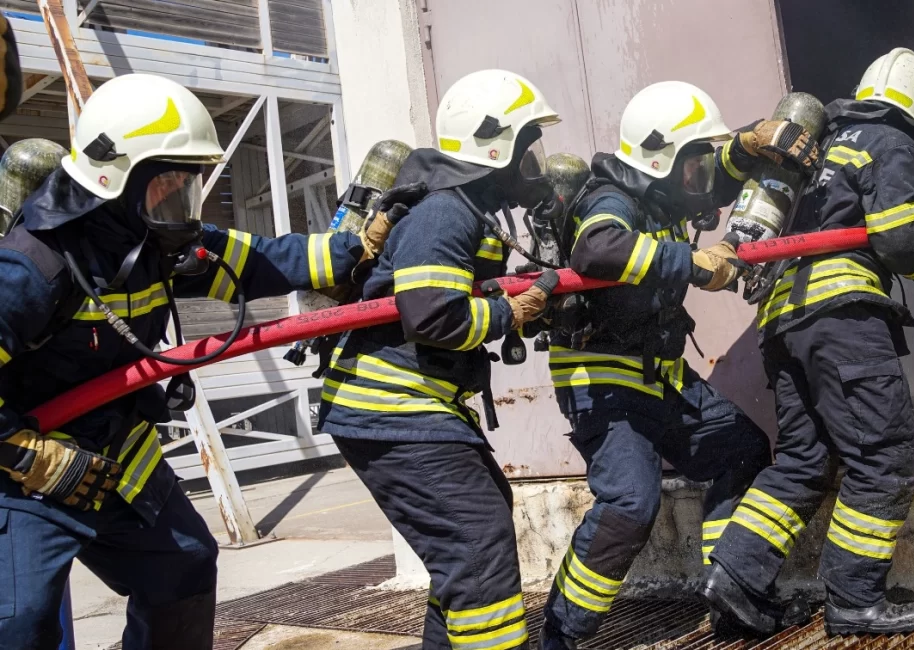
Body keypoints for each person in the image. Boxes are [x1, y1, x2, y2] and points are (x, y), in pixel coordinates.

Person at [0, 73, 395, 649]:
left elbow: (263, 258)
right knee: (18, 623)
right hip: (27, 475)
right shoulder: (30, 267)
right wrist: (32, 456)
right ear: (118, 177)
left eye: (189, 182)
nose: (182, 199)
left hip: (116, 456)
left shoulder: (158, 241)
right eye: (170, 182)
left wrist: (352, 248)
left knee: (184, 566)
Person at [539, 81, 820, 649]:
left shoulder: (664, 194)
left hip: (659, 376)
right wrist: (692, 263)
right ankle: (561, 635)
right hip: (606, 378)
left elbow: (715, 176)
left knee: (739, 449)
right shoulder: (610, 199)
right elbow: (598, 251)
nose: (702, 175)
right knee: (630, 503)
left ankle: (730, 591)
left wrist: (748, 144)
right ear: (661, 160)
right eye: (693, 160)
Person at [701, 48, 914, 637]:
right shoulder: (891, 141)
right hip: (844, 322)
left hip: (782, 322)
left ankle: (733, 578)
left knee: (802, 460)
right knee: (884, 457)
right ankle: (855, 599)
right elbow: (898, 241)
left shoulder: (819, 142)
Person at [317, 69, 563, 650]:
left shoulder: (464, 210)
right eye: (528, 146)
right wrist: (512, 312)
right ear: (495, 149)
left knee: (474, 537)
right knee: (476, 543)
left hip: (414, 409)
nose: (536, 162)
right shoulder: (445, 211)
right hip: (393, 409)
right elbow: (431, 317)